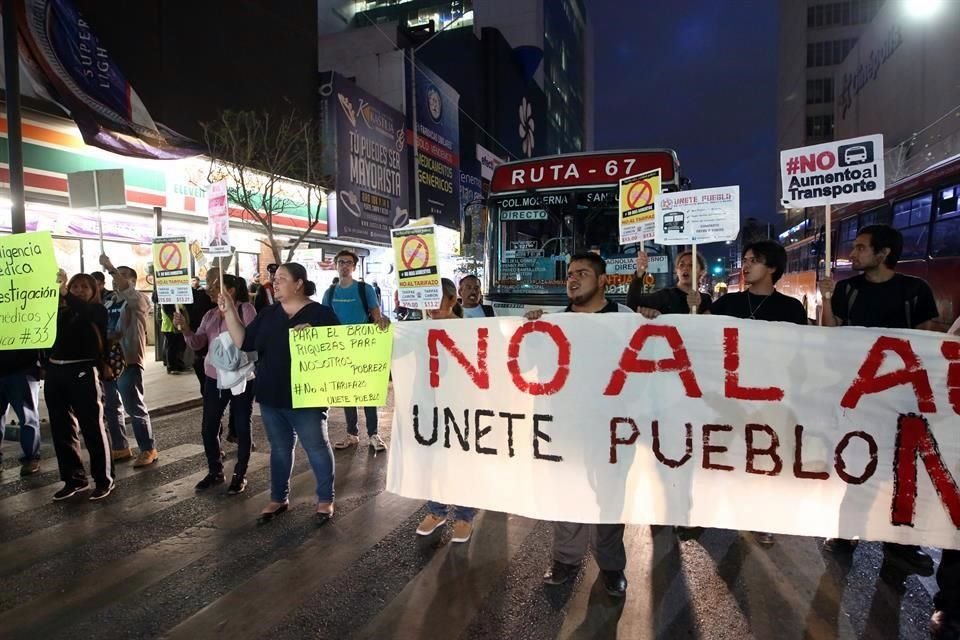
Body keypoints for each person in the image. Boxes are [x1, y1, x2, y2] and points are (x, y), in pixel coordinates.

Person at [819, 224, 937, 576]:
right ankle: (846, 532)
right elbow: (832, 332)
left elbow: (925, 343)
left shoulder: (914, 290)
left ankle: (900, 543)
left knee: (901, 469)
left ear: (883, 253)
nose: (852, 254)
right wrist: (826, 299)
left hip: (900, 397)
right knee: (857, 461)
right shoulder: (846, 289)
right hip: (857, 395)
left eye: (860, 248)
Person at [526, 253, 631, 598]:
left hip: (613, 429)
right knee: (568, 495)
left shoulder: (626, 319)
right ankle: (566, 561)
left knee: (611, 500)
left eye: (583, 273)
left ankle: (612, 566)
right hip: (566, 427)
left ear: (603, 281)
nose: (573, 279)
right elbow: (527, 366)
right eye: (570, 274)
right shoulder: (552, 323)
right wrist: (529, 332)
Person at [221, 263, 340, 525]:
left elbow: (338, 353)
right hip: (271, 394)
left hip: (307, 396)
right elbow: (244, 342)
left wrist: (316, 339)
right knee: (280, 449)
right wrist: (229, 311)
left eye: (282, 279)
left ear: (299, 283)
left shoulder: (321, 314)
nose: (275, 283)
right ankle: (278, 498)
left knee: (317, 448)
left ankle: (325, 499)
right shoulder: (268, 314)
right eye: (274, 279)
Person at [710, 240, 807, 547]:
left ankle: (760, 518)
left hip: (769, 396)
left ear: (773, 268)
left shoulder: (791, 309)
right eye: (746, 259)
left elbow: (800, 353)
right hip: (728, 395)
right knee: (724, 453)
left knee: (763, 458)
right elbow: (702, 339)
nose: (746, 265)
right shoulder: (726, 304)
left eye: (754, 260)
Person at [177, 274, 257, 495]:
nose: (209, 290)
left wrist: (230, 313)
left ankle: (240, 474)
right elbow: (198, 342)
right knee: (209, 426)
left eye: (215, 287)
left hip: (240, 377)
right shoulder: (209, 314)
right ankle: (215, 471)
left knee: (242, 424)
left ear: (230, 290)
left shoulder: (246, 310)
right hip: (213, 377)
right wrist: (185, 330)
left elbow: (251, 339)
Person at [415, 278, 478, 543]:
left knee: (463, 461)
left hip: (464, 408)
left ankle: (464, 517)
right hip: (431, 405)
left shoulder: (472, 329)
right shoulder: (419, 330)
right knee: (434, 460)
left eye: (436, 300)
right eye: (426, 301)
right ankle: (437, 511)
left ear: (453, 300)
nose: (430, 307)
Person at [46, 271, 114, 501]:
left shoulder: (97, 311)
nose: (78, 290)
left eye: (85, 287)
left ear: (94, 291)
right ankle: (74, 479)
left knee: (92, 426)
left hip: (83, 371)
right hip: (55, 372)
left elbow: (86, 315)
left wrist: (66, 293)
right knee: (61, 428)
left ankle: (104, 479)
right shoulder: (58, 311)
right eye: (75, 287)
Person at [322, 249, 391, 453]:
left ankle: (373, 434)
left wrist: (383, 322)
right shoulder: (330, 292)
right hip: (340, 349)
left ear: (354, 267)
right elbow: (324, 319)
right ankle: (352, 434)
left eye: (348, 262)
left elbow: (376, 316)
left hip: (363, 347)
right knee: (347, 392)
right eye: (340, 262)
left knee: (367, 392)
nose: (344, 265)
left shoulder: (364, 289)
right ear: (336, 265)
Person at [99, 254, 159, 468]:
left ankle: (148, 448)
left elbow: (127, 291)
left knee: (134, 406)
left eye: (124, 276)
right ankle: (120, 446)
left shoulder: (138, 300)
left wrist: (110, 266)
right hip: (108, 362)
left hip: (128, 360)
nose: (118, 279)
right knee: (111, 407)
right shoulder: (108, 301)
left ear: (133, 281)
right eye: (116, 276)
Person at [0, 346, 42, 476]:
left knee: (28, 417)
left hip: (23, 368)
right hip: (20, 368)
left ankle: (31, 458)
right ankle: (31, 458)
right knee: (28, 418)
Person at [634, 250, 711, 317]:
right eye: (681, 265)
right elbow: (632, 306)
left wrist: (695, 310)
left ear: (702, 272)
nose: (685, 268)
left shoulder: (705, 299)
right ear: (676, 270)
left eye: (691, 265)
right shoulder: (663, 296)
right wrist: (639, 274)